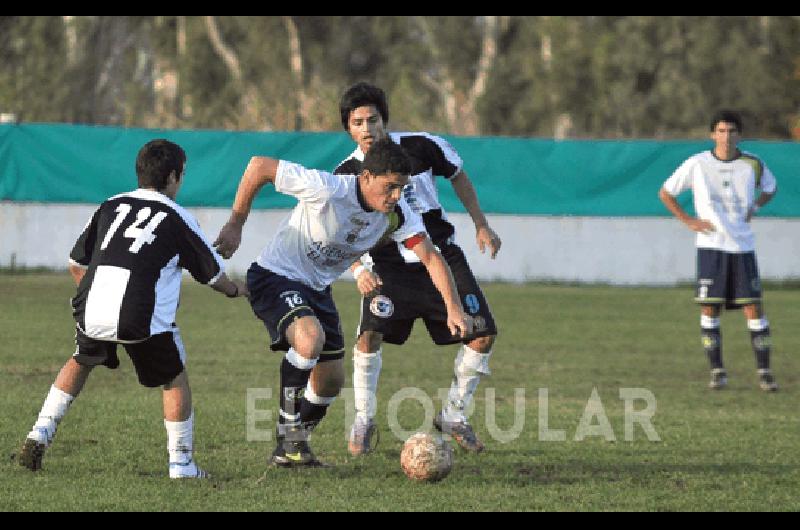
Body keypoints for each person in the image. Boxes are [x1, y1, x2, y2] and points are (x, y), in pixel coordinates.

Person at [213, 138, 473, 467]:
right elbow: (259, 166)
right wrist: (236, 224)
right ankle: (286, 438)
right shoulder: (328, 188)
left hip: (318, 288)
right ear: (366, 177)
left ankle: (295, 447)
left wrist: (453, 307)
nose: (395, 197)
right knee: (309, 340)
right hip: (275, 275)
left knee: (331, 381)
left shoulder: (398, 215)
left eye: (401, 188)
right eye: (390, 187)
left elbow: (431, 257)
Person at [18, 139, 249, 479]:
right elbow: (212, 276)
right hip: (140, 315)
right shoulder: (177, 216)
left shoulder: (111, 205)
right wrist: (237, 290)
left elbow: (74, 263)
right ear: (173, 176)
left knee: (81, 359)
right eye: (181, 175)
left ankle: (39, 433)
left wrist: (97, 295)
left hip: (91, 306)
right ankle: (182, 465)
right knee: (173, 377)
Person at [334, 82, 501, 456]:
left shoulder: (422, 145)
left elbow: (458, 174)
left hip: (439, 255)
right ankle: (363, 418)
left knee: (482, 334)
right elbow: (342, 232)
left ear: (384, 120)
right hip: (388, 265)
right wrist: (360, 268)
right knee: (369, 336)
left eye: (372, 119)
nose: (366, 128)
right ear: (348, 128)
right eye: (357, 122)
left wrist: (480, 223)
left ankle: (454, 415)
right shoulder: (346, 174)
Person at [659, 110, 778, 392]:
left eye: (732, 131)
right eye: (721, 131)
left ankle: (764, 372)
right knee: (710, 308)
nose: (726, 137)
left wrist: (756, 207)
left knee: (753, 308)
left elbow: (771, 188)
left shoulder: (752, 164)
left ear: (740, 135)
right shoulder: (697, 164)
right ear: (713, 134)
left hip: (742, 247)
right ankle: (717, 371)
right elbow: (666, 192)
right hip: (711, 247)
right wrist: (688, 221)